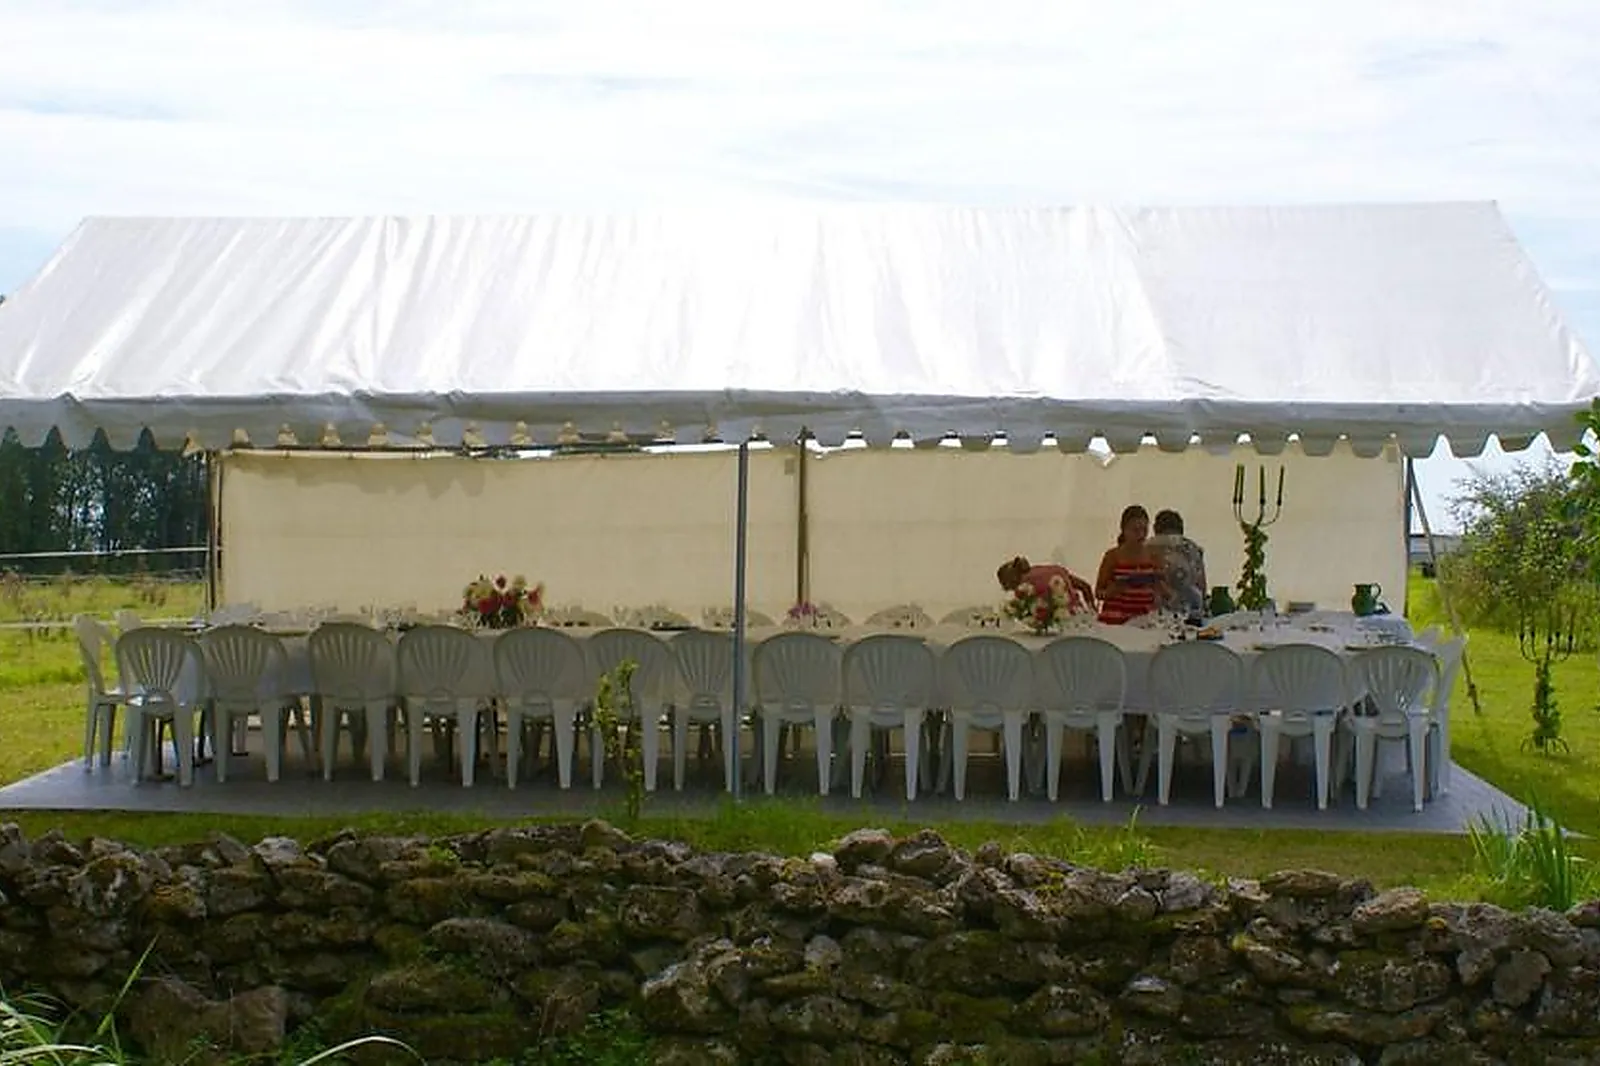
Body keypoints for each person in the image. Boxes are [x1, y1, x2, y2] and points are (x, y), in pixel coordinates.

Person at [1095, 505, 1165, 624]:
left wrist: (1158, 585)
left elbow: (1164, 591)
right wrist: (1111, 591)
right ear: (1124, 529)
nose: (1141, 535)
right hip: (1115, 619)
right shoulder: (1113, 556)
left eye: (1144, 530)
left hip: (1144, 619)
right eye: (1135, 530)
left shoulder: (1154, 556)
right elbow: (1098, 592)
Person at [1148, 509, 1207, 615]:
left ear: (1156, 528)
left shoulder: (1146, 546)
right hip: (1189, 612)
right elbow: (1201, 586)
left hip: (1155, 613)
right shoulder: (1193, 548)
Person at [996, 555, 1095, 613]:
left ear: (1011, 580)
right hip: (1078, 617)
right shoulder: (1054, 569)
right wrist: (1092, 611)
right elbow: (1085, 586)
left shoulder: (1024, 586)